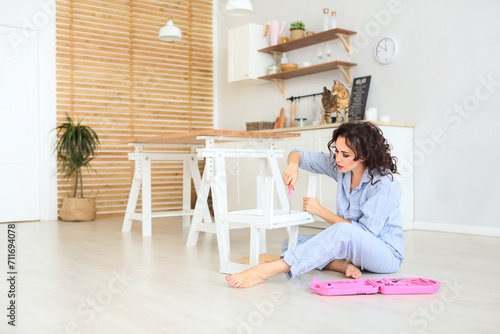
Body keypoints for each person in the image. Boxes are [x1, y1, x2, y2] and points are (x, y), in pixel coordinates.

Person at [226, 122, 404, 288]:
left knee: (342, 231)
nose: (338, 159)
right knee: (292, 243)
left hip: (384, 254)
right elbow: (299, 154)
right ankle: (342, 265)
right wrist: (293, 166)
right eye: (337, 151)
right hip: (353, 247)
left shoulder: (385, 185)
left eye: (345, 154)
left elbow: (361, 233)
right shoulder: (342, 168)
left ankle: (266, 271)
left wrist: (320, 211)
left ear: (364, 155)